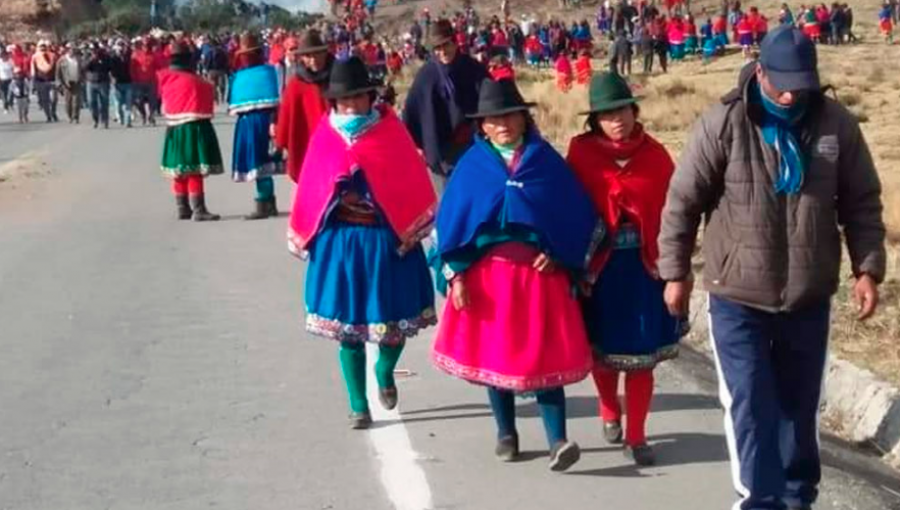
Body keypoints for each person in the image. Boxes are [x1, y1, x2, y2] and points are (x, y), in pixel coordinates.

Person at [658, 26, 886, 510]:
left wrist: (867, 268)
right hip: (737, 295)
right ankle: (758, 500)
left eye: (800, 83)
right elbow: (682, 202)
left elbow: (861, 202)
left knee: (799, 410)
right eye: (781, 81)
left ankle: (797, 498)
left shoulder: (834, 124)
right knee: (750, 406)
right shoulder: (725, 121)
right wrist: (675, 272)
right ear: (758, 71)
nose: (790, 93)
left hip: (807, 295)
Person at [431, 78, 602, 471]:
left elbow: (574, 218)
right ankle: (506, 432)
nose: (503, 123)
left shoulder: (546, 163)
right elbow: (452, 226)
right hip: (488, 279)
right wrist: (457, 277)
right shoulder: (471, 167)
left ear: (524, 118)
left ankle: (558, 439)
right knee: (497, 355)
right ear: (483, 126)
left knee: (545, 356)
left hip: (539, 278)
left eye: (510, 114)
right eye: (493, 118)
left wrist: (557, 256)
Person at [287, 57, 437, 429]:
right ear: (333, 102)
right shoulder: (326, 134)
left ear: (371, 96)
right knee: (348, 333)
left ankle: (384, 371)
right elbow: (313, 187)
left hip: (388, 243)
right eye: (344, 99)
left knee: (394, 325)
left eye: (358, 97)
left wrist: (377, 195)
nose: (351, 105)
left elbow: (409, 180)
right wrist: (336, 197)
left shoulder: (391, 132)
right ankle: (358, 403)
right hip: (341, 245)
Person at [567, 72, 682, 467]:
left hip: (644, 269)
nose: (616, 119)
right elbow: (568, 211)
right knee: (604, 352)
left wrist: (676, 267)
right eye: (606, 114)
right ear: (594, 120)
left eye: (621, 110)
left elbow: (676, 214)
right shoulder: (580, 155)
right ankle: (607, 410)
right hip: (600, 269)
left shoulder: (656, 156)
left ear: (634, 111)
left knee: (641, 356)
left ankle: (637, 436)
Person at [403, 19, 487, 192]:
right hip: (444, 153)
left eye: (446, 45)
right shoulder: (426, 76)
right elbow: (412, 113)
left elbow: (490, 99)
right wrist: (422, 145)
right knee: (452, 200)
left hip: (475, 145)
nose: (443, 51)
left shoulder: (473, 68)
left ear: (455, 42)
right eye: (437, 48)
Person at [157, 42, 224, 222]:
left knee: (179, 169)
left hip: (173, 128)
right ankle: (199, 209)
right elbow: (207, 97)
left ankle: (182, 207)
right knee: (194, 168)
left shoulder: (166, 79)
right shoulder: (195, 82)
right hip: (193, 127)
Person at [227, 33, 284, 220]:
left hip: (263, 121)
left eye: (249, 53)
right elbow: (234, 101)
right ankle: (267, 203)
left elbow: (275, 100)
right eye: (244, 54)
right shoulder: (238, 76)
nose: (246, 57)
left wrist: (274, 123)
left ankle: (264, 202)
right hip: (245, 122)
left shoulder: (268, 72)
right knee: (256, 161)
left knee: (262, 161)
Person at [275, 29, 333, 183]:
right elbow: (286, 118)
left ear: (325, 53)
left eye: (317, 54)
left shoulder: (338, 77)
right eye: (308, 56)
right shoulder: (295, 85)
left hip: (337, 147)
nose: (313, 60)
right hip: (309, 148)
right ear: (301, 57)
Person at [30, 40, 59, 123]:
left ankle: (53, 112)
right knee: (45, 100)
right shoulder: (35, 57)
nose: (43, 48)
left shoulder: (53, 56)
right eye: (41, 46)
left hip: (52, 80)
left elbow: (56, 68)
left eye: (44, 46)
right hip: (41, 81)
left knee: (54, 99)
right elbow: (33, 70)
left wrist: (58, 80)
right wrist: (34, 83)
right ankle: (48, 116)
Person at [85, 44, 112, 129]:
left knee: (104, 102)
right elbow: (84, 67)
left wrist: (101, 61)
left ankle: (104, 120)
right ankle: (95, 119)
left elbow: (110, 67)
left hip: (103, 82)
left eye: (96, 50)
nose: (95, 52)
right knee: (91, 102)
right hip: (91, 82)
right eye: (93, 50)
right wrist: (91, 60)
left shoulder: (106, 57)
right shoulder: (87, 57)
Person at [110, 42, 134, 128]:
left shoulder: (128, 57)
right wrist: (112, 78)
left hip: (128, 82)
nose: (121, 49)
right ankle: (121, 117)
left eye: (122, 46)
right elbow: (111, 71)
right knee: (119, 104)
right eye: (119, 47)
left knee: (128, 103)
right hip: (118, 84)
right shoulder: (113, 58)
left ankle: (128, 121)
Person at [0, 48, 15, 114]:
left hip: (10, 79)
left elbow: (13, 69)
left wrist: (14, 77)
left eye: (5, 55)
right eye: (3, 55)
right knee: (4, 95)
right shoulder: (0, 61)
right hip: (2, 80)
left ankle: (11, 103)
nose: (4, 57)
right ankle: (6, 107)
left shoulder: (11, 61)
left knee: (11, 93)